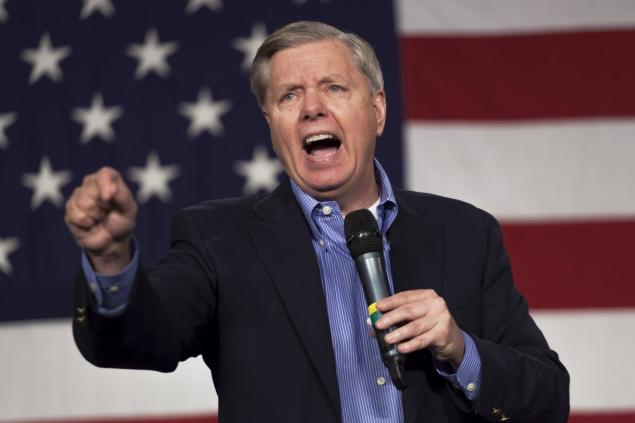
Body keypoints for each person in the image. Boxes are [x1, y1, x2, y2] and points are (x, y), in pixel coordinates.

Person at [65, 21, 569, 422]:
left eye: (333, 87)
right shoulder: (219, 240)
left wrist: (460, 349)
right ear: (272, 124)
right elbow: (139, 337)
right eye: (289, 96)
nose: (311, 109)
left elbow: (547, 400)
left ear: (376, 110)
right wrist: (110, 260)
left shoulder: (465, 234)